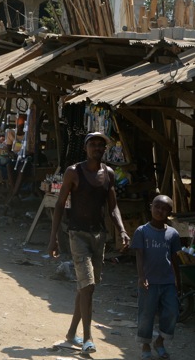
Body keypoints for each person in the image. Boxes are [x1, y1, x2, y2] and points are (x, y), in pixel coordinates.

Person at [47, 131, 130, 354]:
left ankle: (71, 333)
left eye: (100, 145)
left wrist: (122, 230)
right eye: (93, 144)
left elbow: (113, 207)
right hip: (77, 234)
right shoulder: (73, 172)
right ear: (85, 148)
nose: (97, 148)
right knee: (88, 286)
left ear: (105, 150)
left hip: (98, 236)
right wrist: (53, 238)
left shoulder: (108, 174)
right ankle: (87, 338)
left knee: (86, 287)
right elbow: (60, 204)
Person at [131, 195, 181, 360]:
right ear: (151, 207)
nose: (160, 211)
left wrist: (178, 281)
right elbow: (139, 255)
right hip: (148, 282)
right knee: (146, 315)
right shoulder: (142, 231)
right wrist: (141, 276)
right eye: (157, 207)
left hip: (167, 281)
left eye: (165, 209)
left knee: (172, 312)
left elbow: (174, 259)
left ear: (169, 213)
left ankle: (159, 342)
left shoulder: (173, 234)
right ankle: (145, 345)